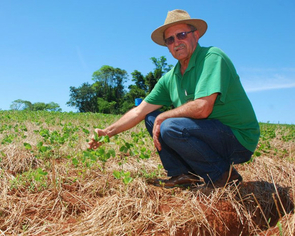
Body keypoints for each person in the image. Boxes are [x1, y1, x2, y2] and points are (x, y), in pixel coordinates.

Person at [88, 9, 260, 188]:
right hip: (206, 134)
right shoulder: (170, 78)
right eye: (170, 39)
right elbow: (140, 110)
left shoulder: (212, 57)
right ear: (167, 46)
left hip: (237, 137)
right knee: (151, 117)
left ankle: (223, 176)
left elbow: (203, 108)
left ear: (196, 35)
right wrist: (107, 133)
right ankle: (183, 175)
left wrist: (165, 116)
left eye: (182, 35)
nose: (176, 42)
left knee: (168, 125)